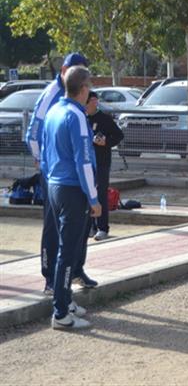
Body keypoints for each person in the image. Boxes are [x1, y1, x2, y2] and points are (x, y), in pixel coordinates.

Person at [25, 52, 98, 294]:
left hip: (74, 175)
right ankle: (50, 276)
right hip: (56, 173)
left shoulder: (77, 97)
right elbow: (33, 133)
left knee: (80, 224)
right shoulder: (51, 96)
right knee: (53, 227)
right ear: (65, 69)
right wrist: (41, 161)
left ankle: (76, 269)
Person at [41, 66, 102, 330]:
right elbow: (84, 161)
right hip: (72, 189)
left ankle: (65, 301)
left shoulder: (54, 110)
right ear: (84, 89)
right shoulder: (76, 116)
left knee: (68, 249)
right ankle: (61, 313)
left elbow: (44, 152)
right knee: (68, 251)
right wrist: (94, 198)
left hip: (54, 184)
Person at [84, 91, 124, 241]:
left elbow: (119, 135)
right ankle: (89, 226)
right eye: (90, 101)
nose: (94, 103)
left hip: (101, 162)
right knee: (87, 193)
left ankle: (102, 228)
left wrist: (106, 142)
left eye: (95, 100)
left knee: (101, 194)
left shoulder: (104, 119)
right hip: (86, 163)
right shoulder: (82, 118)